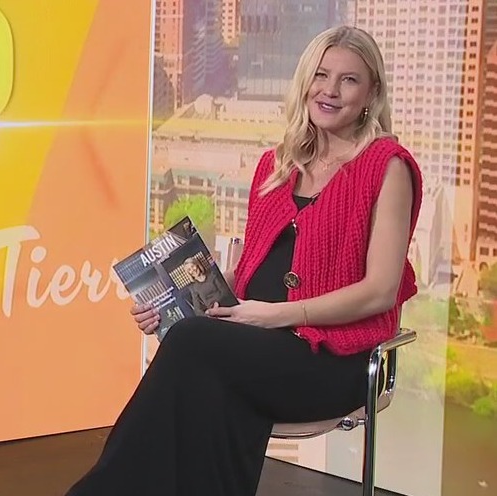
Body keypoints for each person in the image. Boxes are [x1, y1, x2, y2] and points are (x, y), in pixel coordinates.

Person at [65, 25, 423, 496]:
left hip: (333, 360)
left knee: (194, 350)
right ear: (305, 81)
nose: (330, 90)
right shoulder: (277, 166)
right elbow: (249, 271)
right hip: (257, 344)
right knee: (195, 358)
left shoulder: (387, 166)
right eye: (321, 75)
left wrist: (276, 315)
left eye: (349, 80)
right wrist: (173, 302)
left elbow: (380, 291)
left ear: (371, 92)